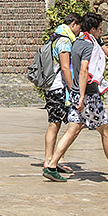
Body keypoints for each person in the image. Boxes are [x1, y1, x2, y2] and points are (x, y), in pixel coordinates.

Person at [52, 13, 108, 183]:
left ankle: (51, 165)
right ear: (92, 29)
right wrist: (84, 97)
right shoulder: (89, 45)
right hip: (88, 96)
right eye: (100, 29)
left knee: (73, 129)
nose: (101, 33)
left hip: (77, 92)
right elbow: (86, 70)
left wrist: (103, 86)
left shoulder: (77, 42)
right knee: (106, 132)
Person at [41, 13, 81, 182]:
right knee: (61, 124)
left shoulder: (55, 36)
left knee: (55, 123)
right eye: (79, 27)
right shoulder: (64, 41)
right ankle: (51, 159)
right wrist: (73, 89)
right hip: (58, 87)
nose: (79, 31)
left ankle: (53, 158)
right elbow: (65, 67)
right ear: (73, 24)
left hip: (51, 87)